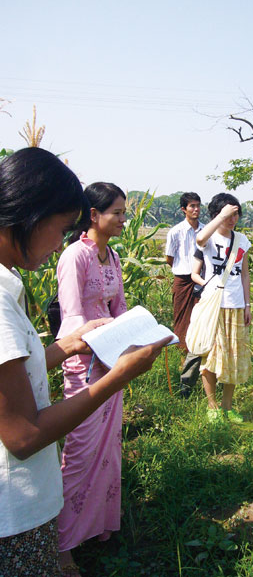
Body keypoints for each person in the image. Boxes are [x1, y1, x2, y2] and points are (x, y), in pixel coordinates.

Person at [0, 148, 171, 577]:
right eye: (59, 228)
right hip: (13, 512)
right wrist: (117, 377)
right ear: (28, 216)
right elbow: (23, 436)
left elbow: (14, 371)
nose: (61, 242)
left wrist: (64, 346)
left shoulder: (11, 280)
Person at [55, 183, 129, 572]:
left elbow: (119, 307)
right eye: (116, 212)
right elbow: (71, 320)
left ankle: (97, 526)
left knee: (109, 449)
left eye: (123, 212)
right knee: (81, 453)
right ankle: (60, 541)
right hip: (85, 363)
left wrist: (137, 333)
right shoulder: (74, 256)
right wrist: (100, 341)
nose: (122, 219)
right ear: (93, 214)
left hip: (112, 360)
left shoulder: (111, 256)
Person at [191, 193, 251, 423]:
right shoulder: (208, 237)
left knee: (234, 357)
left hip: (236, 305)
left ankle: (227, 407)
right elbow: (199, 240)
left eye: (236, 214)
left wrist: (247, 304)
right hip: (214, 305)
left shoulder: (242, 241)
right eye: (228, 214)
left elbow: (245, 274)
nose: (232, 219)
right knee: (211, 355)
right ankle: (212, 406)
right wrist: (221, 216)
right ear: (217, 214)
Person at [165, 192, 204, 397]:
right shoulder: (176, 232)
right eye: (192, 206)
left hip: (202, 280)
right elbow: (170, 258)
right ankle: (183, 366)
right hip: (182, 280)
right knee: (182, 321)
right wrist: (185, 271)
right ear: (183, 209)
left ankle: (200, 368)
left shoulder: (207, 231)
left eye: (198, 205)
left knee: (199, 321)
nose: (196, 209)